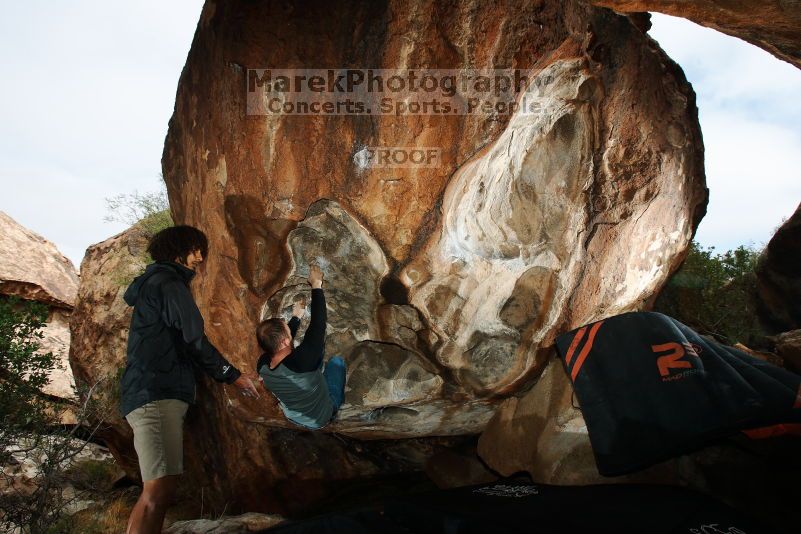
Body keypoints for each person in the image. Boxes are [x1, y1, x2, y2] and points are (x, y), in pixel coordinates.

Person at [119, 225, 260, 534]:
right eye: (194, 250)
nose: (199, 257)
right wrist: (233, 377)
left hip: (151, 391)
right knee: (157, 490)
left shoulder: (155, 284)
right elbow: (194, 340)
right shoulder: (168, 284)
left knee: (159, 489)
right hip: (155, 393)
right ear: (176, 251)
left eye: (201, 251)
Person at [256, 264, 346, 430]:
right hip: (320, 418)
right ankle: (334, 408)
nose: (290, 329)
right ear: (284, 341)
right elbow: (318, 324)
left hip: (294, 417)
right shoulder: (303, 361)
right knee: (337, 362)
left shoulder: (262, 365)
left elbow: (282, 341)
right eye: (288, 329)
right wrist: (316, 284)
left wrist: (296, 318)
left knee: (315, 362)